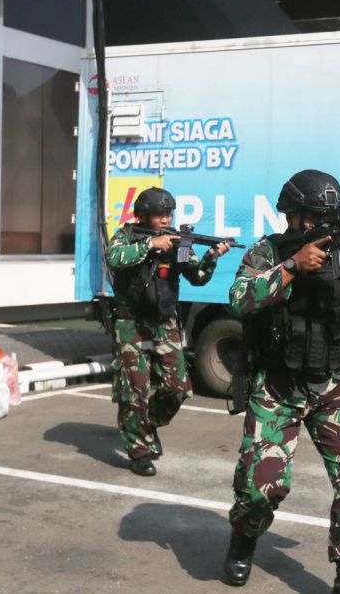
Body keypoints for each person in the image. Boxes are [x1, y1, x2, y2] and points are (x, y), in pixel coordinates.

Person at [222, 169, 340, 593]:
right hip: (278, 385)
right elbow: (239, 300)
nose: (321, 226)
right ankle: (243, 540)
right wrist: (290, 267)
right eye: (313, 217)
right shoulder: (267, 252)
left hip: (333, 385)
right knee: (262, 487)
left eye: (329, 217)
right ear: (293, 215)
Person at [106, 187, 231, 476]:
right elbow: (115, 258)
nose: (165, 220)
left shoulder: (177, 241)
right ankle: (138, 451)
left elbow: (197, 277)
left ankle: (148, 425)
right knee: (133, 389)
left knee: (178, 388)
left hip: (164, 322)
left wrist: (212, 256)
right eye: (159, 215)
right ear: (143, 215)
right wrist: (151, 245)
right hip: (130, 324)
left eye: (168, 214)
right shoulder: (126, 237)